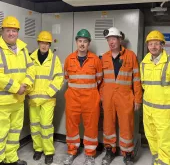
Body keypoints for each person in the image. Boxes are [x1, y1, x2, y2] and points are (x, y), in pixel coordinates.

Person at [100, 27, 142, 165]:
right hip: (108, 97)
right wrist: (101, 97)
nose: (111, 42)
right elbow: (100, 80)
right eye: (108, 39)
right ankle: (109, 151)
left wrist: (138, 99)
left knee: (127, 126)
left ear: (119, 40)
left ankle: (128, 154)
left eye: (113, 39)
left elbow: (136, 78)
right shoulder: (104, 57)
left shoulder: (130, 56)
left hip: (125, 97)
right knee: (108, 125)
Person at [63, 29, 103, 165]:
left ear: (88, 44)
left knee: (91, 127)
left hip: (90, 99)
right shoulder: (69, 59)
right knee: (71, 126)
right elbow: (66, 77)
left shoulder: (96, 60)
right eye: (80, 41)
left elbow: (99, 79)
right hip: (72, 98)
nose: (82, 44)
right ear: (76, 42)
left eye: (85, 41)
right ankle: (71, 151)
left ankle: (90, 154)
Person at [0, 16, 35, 165]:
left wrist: (26, 84)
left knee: (14, 133)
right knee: (1, 134)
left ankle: (11, 159)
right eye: (8, 30)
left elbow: (31, 69)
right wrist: (16, 87)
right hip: (3, 102)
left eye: (14, 31)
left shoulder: (23, 49)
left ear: (18, 32)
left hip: (18, 101)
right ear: (2, 31)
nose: (11, 34)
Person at [28, 31, 63, 164]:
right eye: (42, 42)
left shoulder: (55, 59)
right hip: (33, 99)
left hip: (48, 99)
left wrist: (49, 92)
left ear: (50, 45)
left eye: (47, 43)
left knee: (46, 126)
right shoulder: (30, 58)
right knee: (35, 125)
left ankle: (48, 152)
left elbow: (59, 77)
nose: (44, 45)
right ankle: (38, 149)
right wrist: (29, 92)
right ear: (38, 43)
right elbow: (26, 76)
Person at [141, 30, 170, 165]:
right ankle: (157, 159)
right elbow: (143, 84)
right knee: (151, 136)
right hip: (148, 109)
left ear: (162, 45)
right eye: (151, 44)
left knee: (164, 140)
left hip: (164, 111)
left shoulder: (168, 63)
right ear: (147, 46)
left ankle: (164, 162)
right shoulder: (144, 63)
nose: (153, 47)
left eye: (156, 44)